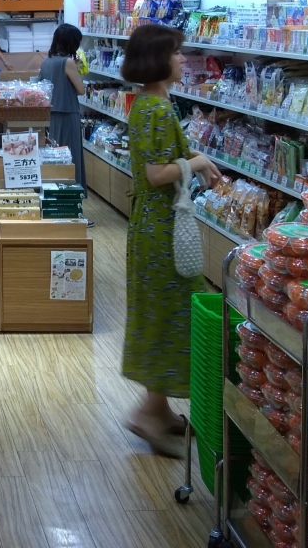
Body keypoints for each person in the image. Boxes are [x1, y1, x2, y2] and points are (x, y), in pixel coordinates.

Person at [118, 23, 218, 458]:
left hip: (153, 225)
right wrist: (197, 161)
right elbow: (157, 173)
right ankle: (148, 413)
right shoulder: (156, 111)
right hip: (162, 231)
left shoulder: (151, 103)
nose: (183, 59)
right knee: (173, 312)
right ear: (159, 59)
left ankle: (159, 409)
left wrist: (195, 159)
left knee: (163, 312)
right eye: (177, 53)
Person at [38, 23, 86, 187]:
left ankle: (54, 192)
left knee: (53, 157)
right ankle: (73, 193)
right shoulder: (67, 62)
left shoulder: (46, 61)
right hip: (67, 114)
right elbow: (81, 90)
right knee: (70, 157)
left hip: (50, 116)